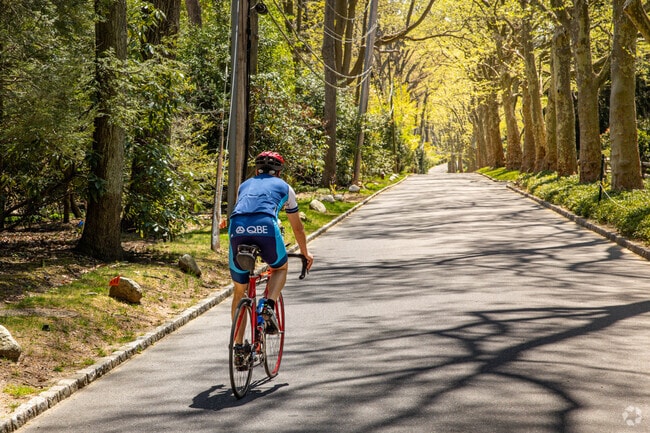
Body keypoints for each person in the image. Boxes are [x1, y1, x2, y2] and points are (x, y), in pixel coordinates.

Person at [228, 151, 313, 361]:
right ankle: (268, 305)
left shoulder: (244, 185)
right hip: (266, 227)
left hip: (236, 228)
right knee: (280, 268)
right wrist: (305, 252)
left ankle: (239, 350)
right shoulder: (285, 187)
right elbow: (298, 228)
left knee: (240, 291)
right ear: (279, 171)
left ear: (256, 170)